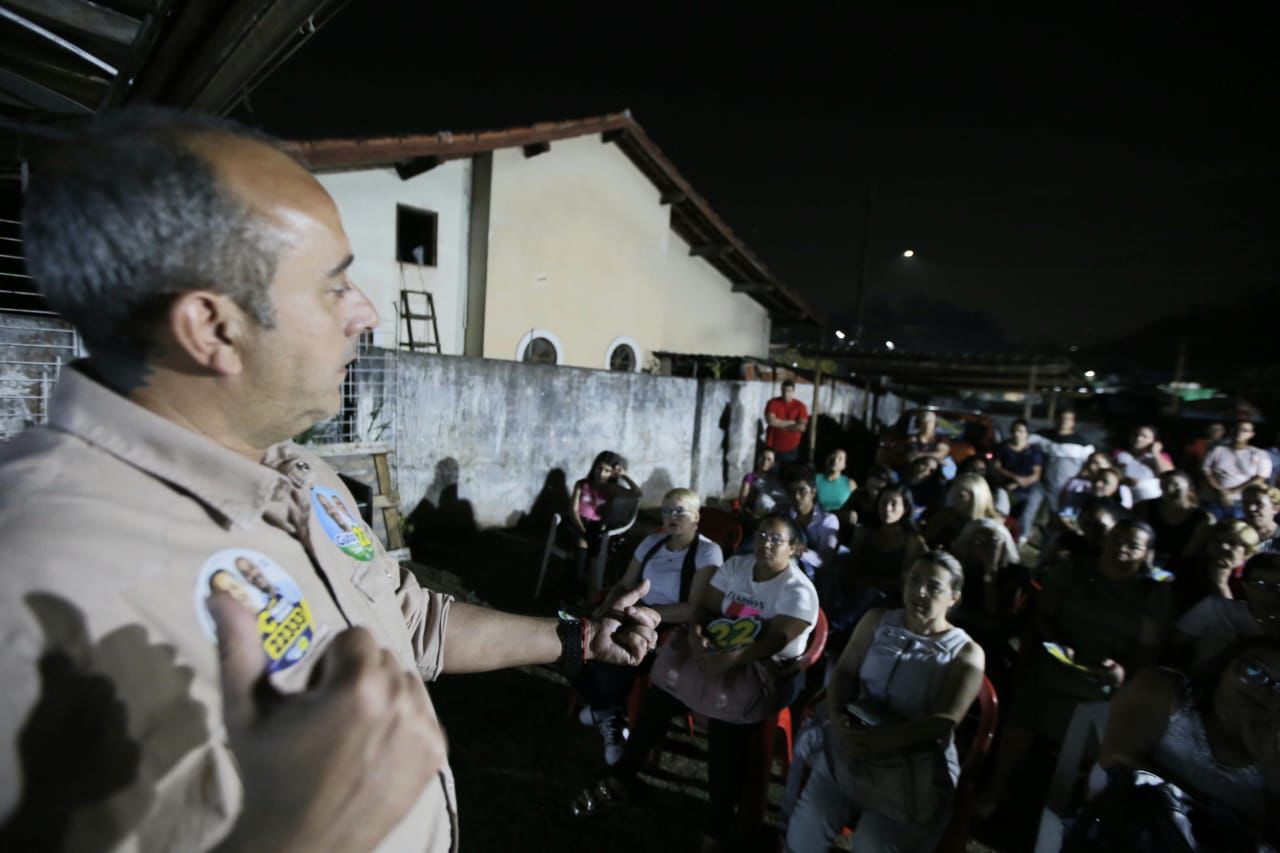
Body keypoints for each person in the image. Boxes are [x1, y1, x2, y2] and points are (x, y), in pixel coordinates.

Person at [0, 109, 661, 851]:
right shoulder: (34, 574)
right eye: (333, 285)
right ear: (213, 329)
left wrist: (573, 639)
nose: (367, 312)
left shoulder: (297, 471)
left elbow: (411, 623)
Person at [571, 514, 819, 849]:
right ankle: (621, 778)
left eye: (776, 539)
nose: (766, 543)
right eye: (762, 534)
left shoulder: (798, 590)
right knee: (659, 700)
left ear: (795, 549)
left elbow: (775, 641)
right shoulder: (739, 566)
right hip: (717, 654)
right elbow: (704, 608)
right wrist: (699, 641)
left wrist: (727, 659)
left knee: (724, 727)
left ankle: (716, 831)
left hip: (764, 668)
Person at [783, 550, 985, 852]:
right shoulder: (878, 621)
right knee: (805, 833)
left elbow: (943, 722)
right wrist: (838, 719)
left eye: (934, 587)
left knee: (873, 844)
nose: (919, 591)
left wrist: (883, 741)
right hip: (854, 742)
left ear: (953, 598)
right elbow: (845, 672)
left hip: (910, 768)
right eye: (914, 580)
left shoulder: (965, 653)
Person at [980, 520, 1173, 812]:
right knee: (1029, 702)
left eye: (1132, 545)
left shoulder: (1151, 590)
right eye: (1117, 538)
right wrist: (1057, 641)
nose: (1121, 547)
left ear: (1146, 553)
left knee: (1113, 718)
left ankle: (1082, 810)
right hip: (1059, 661)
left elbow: (1149, 647)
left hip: (1107, 677)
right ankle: (997, 789)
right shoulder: (1074, 569)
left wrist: (1123, 670)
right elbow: (1043, 615)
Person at [575, 488, 724, 764]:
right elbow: (624, 583)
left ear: (696, 517)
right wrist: (607, 608)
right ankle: (608, 711)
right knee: (580, 640)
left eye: (680, 510)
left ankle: (607, 713)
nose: (671, 516)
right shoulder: (652, 542)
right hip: (632, 612)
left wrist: (644, 613)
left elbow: (694, 608)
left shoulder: (707, 552)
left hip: (669, 625)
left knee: (610, 652)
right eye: (667, 510)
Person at [1097, 638, 1280, 845]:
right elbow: (1116, 763)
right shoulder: (1164, 690)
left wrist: (1271, 767)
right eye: (1253, 671)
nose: (1263, 691)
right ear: (1225, 665)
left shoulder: (1273, 753)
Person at [1173, 553, 1280, 674]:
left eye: (1279, 586)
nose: (1269, 593)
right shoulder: (1215, 608)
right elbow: (1174, 647)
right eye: (1260, 583)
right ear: (1245, 586)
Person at [564, 450, 642, 601]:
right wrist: (582, 529)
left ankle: (586, 593)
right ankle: (573, 593)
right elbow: (572, 510)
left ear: (611, 474)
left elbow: (637, 494)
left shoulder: (611, 489)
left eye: (606, 470)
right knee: (582, 542)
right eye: (599, 468)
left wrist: (623, 475)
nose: (601, 473)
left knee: (593, 550)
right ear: (594, 468)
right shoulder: (582, 484)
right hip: (577, 523)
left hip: (596, 527)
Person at [1133, 469, 1213, 576]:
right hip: (1144, 560)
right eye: (1164, 484)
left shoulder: (1203, 518)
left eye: (1175, 484)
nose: (1169, 488)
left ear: (1190, 487)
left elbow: (1189, 554)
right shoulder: (1145, 507)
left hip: (1179, 569)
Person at [1173, 519, 1261, 614]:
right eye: (1217, 541)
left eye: (1232, 543)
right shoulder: (1191, 567)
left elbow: (1236, 621)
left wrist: (1221, 584)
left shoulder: (1253, 580)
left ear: (1247, 553)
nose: (1223, 546)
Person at [783, 466, 841, 593]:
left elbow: (825, 560)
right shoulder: (785, 515)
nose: (797, 496)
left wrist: (800, 551)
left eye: (802, 491)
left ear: (813, 492)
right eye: (792, 491)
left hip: (818, 578)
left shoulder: (828, 520)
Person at [1203, 419, 1273, 520]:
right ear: (1232, 431)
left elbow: (1260, 478)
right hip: (1216, 501)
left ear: (1251, 434)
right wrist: (1220, 491)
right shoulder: (1217, 450)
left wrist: (1233, 492)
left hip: (1243, 504)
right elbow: (1205, 471)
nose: (1239, 432)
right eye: (1237, 429)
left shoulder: (1260, 454)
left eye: (1244, 430)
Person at [1032, 409, 1095, 514]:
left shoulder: (1083, 443)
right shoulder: (1043, 436)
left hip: (1067, 487)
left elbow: (1091, 463)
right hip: (1043, 484)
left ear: (1073, 422)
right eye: (1062, 418)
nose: (1064, 421)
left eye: (1068, 419)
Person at [994, 418, 1045, 543]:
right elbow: (997, 466)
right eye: (1015, 430)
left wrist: (1019, 482)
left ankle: (1021, 536)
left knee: (1025, 512)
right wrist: (1013, 478)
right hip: (1006, 486)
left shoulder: (1034, 452)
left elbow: (1036, 474)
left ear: (1027, 433)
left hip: (1027, 488)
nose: (1017, 434)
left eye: (1021, 431)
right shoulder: (1003, 447)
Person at [925, 472, 1004, 551]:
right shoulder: (943, 516)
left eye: (960, 496)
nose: (953, 498)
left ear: (976, 497)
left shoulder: (990, 527)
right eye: (953, 492)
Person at [1112, 424, 1173, 503]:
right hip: (1124, 499)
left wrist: (1155, 453)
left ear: (1153, 441)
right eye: (1136, 435)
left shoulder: (1161, 456)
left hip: (1151, 500)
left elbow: (1169, 475)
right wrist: (1123, 480)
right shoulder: (1119, 454)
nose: (1138, 438)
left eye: (1144, 436)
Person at [764, 380, 809, 465]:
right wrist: (792, 422)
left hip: (791, 449)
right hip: (772, 447)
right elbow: (770, 421)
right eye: (783, 391)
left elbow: (801, 427)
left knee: (788, 474)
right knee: (770, 473)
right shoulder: (773, 403)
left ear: (793, 392)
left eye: (788, 391)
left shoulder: (800, 406)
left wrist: (779, 424)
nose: (786, 394)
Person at [738, 447, 783, 518]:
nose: (765, 462)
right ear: (758, 458)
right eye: (763, 457)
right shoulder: (750, 477)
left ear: (773, 463)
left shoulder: (775, 481)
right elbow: (743, 499)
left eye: (769, 459)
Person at [815, 448, 857, 516]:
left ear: (844, 466)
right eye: (833, 456)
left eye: (840, 458)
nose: (835, 460)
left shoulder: (850, 484)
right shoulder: (815, 479)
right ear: (826, 460)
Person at [1242, 482, 1280, 554]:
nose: (1251, 508)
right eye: (1246, 503)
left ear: (1276, 509)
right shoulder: (1234, 533)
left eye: (1259, 504)